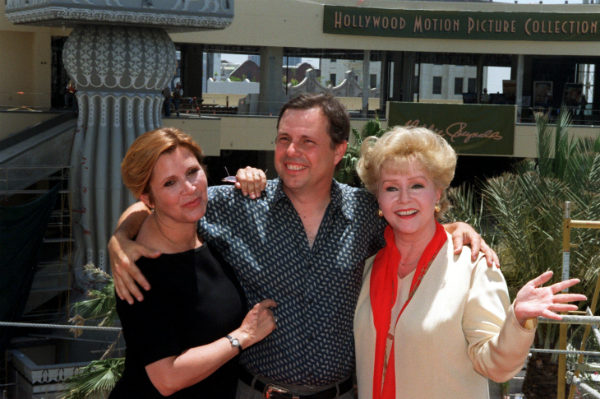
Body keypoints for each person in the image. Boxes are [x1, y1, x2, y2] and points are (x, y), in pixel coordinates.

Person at [108, 93, 498, 399]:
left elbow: (415, 229)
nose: (292, 152)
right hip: (254, 392)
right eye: (284, 139)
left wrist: (455, 227)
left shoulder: (367, 213)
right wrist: (121, 238)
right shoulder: (237, 203)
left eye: (307, 141)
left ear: (339, 150)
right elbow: (168, 204)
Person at [353, 126, 586, 399]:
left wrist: (517, 320)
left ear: (437, 193)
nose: (404, 198)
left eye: (417, 185)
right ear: (378, 198)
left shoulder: (474, 266)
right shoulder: (368, 267)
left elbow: (496, 367)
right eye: (391, 187)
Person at [109, 127, 276, 399]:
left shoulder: (206, 233)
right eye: (169, 183)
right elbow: (166, 377)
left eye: (191, 172)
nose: (189, 189)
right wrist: (243, 336)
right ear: (148, 198)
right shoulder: (138, 268)